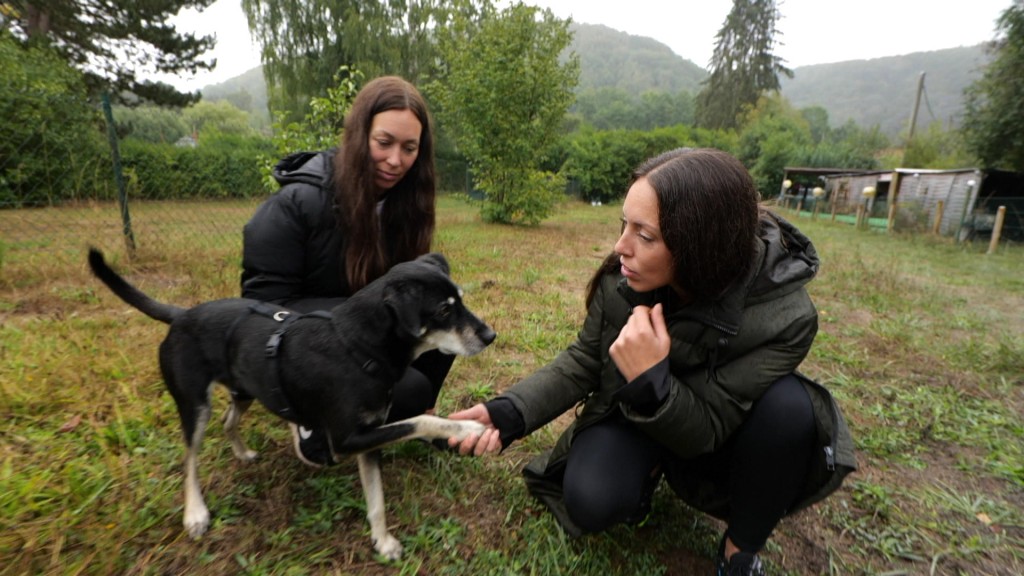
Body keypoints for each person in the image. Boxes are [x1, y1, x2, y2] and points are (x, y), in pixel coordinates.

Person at [448, 148, 856, 576]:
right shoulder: (623, 276)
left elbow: (710, 426)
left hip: (714, 439)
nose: (620, 246)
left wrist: (652, 382)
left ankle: (740, 552)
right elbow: (585, 358)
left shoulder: (785, 318)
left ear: (702, 246)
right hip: (636, 410)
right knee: (591, 501)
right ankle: (645, 470)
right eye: (624, 224)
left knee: (791, 408)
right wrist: (510, 411)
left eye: (645, 236)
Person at [241, 75, 454, 467]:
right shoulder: (297, 203)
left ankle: (411, 413)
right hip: (300, 340)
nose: (395, 161)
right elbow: (261, 307)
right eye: (384, 142)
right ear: (359, 135)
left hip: (359, 323)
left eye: (409, 148)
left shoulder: (405, 203)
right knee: (407, 389)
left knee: (445, 329)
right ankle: (314, 423)